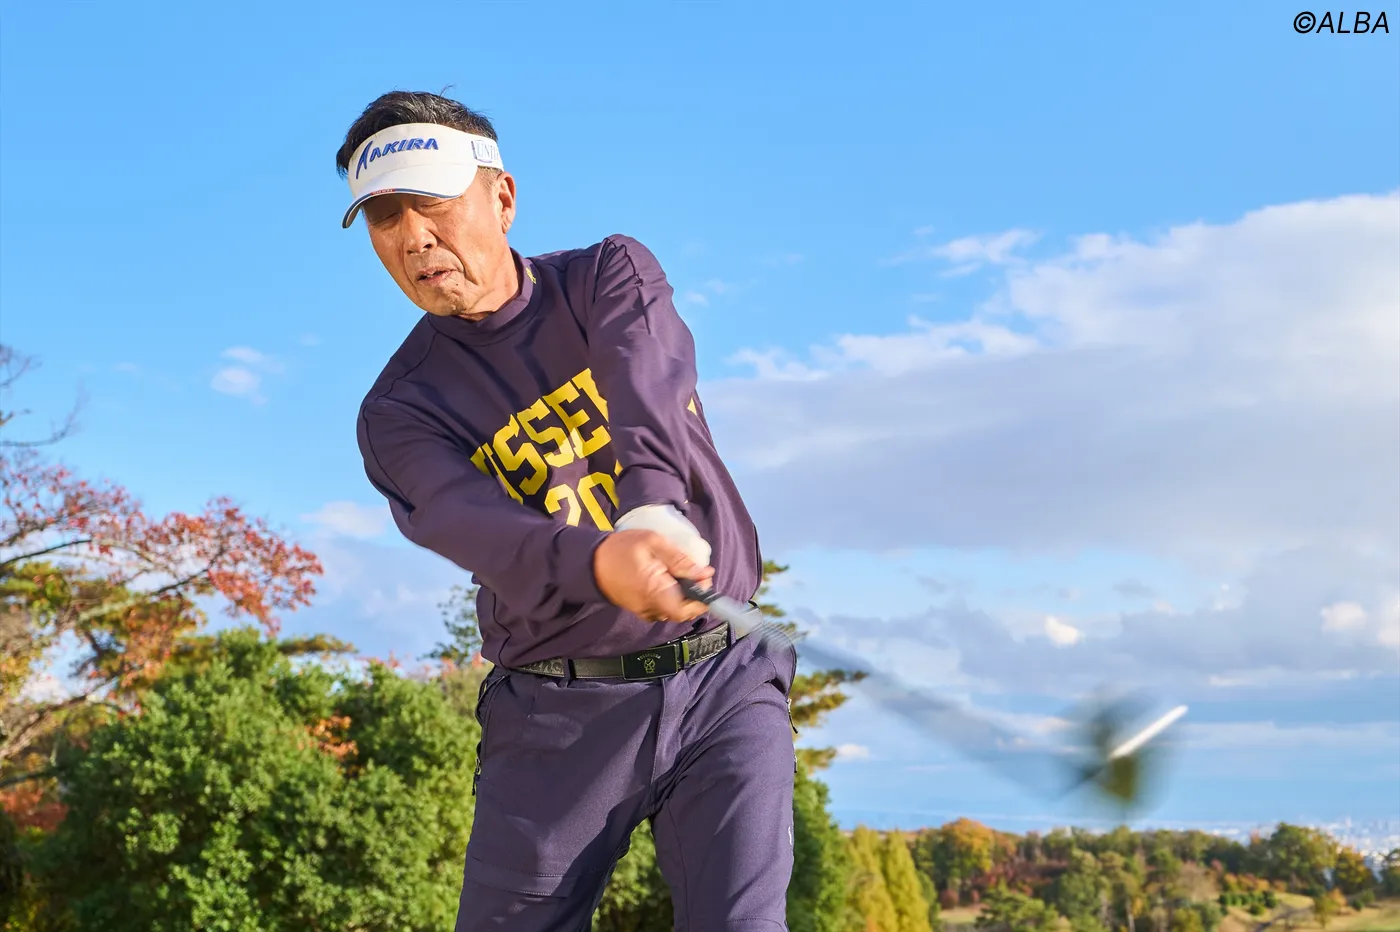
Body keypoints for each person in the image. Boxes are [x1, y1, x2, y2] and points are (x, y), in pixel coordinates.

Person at [336, 90, 797, 931]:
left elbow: (644, 380)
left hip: (724, 677)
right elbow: (472, 525)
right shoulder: (399, 412)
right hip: (556, 717)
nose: (412, 237)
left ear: (502, 197)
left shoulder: (607, 275)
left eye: (431, 203)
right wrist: (598, 562)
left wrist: (652, 508)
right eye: (383, 216)